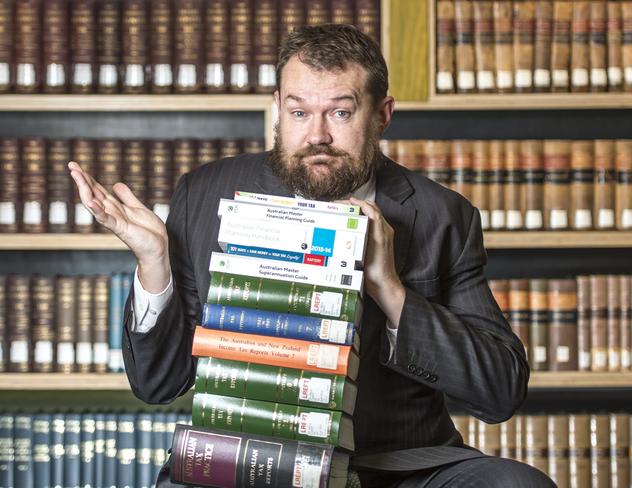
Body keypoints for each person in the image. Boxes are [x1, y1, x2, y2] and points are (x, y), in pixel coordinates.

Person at [69, 24, 555, 488]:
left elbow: (500, 390)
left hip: (399, 466)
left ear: (383, 114)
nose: (317, 135)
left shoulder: (440, 214)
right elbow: (157, 384)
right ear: (278, 107)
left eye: (340, 113)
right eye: (299, 112)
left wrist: (391, 291)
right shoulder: (207, 194)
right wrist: (155, 266)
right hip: (250, 458)